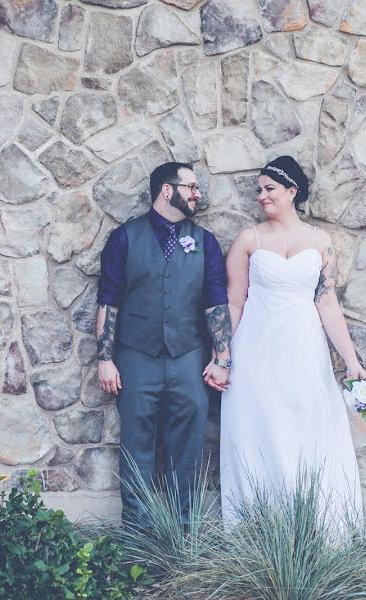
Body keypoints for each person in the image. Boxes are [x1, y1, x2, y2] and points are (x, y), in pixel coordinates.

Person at [219, 155, 366, 527]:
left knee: (309, 432)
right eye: (259, 191)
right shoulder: (248, 240)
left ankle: (315, 528)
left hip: (303, 350)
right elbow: (235, 302)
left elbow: (327, 302)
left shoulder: (320, 241)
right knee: (260, 433)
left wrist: (350, 361)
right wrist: (222, 356)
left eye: (270, 189)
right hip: (256, 351)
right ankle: (260, 530)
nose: (262, 197)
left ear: (291, 191)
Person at [96, 162, 232, 528]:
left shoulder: (205, 242)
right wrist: (105, 358)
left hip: (189, 357)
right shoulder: (125, 238)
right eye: (190, 186)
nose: (197, 193)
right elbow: (109, 302)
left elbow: (216, 303)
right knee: (136, 448)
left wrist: (222, 357)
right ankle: (138, 539)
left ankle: (183, 534)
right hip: (136, 357)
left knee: (187, 448)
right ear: (167, 190)